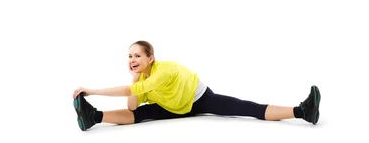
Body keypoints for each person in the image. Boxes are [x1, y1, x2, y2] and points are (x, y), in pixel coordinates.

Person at [72, 40, 321, 131]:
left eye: (137, 55)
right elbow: (132, 104)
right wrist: (135, 78)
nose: (133, 60)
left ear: (151, 57)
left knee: (246, 108)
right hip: (173, 106)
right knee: (140, 114)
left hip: (197, 99)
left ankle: (301, 111)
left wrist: (92, 90)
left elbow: (128, 94)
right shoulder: (144, 79)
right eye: (129, 57)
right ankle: (93, 117)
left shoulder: (162, 70)